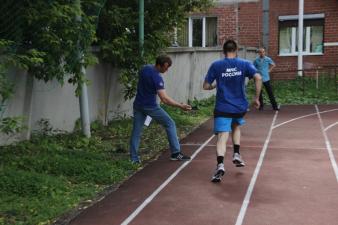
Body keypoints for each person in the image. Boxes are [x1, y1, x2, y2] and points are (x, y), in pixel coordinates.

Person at [203, 39, 262, 182]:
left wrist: (214, 86)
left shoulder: (216, 65)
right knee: (236, 126)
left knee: (222, 136)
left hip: (223, 106)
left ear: (223, 51)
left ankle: (220, 165)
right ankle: (236, 153)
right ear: (236, 50)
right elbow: (258, 77)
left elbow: (205, 86)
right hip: (239, 106)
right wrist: (256, 98)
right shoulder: (244, 63)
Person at [129, 55, 192, 163]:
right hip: (150, 107)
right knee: (170, 123)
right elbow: (165, 99)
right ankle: (176, 153)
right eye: (165, 67)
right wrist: (181, 106)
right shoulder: (157, 78)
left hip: (138, 105)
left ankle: (133, 159)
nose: (167, 70)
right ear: (159, 65)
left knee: (136, 132)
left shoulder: (145, 68)